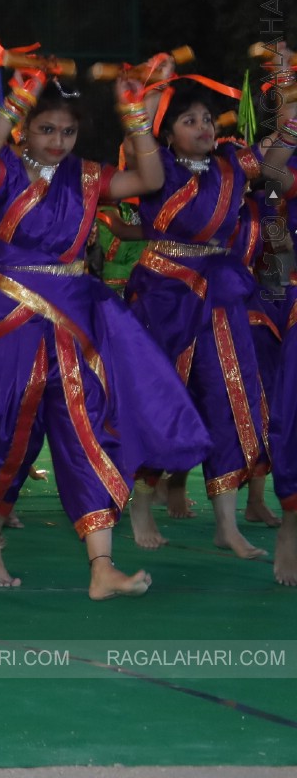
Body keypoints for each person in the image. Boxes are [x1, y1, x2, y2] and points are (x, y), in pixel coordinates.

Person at [0, 68, 210, 596]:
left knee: (87, 432)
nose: (57, 142)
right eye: (46, 130)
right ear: (26, 130)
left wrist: (133, 112)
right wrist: (14, 103)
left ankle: (101, 567)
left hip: (75, 325)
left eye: (67, 133)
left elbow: (150, 180)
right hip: (14, 320)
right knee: (10, 438)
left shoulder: (88, 178)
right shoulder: (2, 171)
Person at [127, 81, 295, 557]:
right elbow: (142, 129)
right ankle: (141, 503)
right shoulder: (154, 166)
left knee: (231, 399)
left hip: (220, 290)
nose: (202, 127)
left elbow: (278, 157)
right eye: (189, 120)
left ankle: (227, 523)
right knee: (165, 397)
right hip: (165, 293)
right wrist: (151, 89)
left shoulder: (231, 163)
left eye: (206, 119)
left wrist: (289, 95)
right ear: (168, 132)